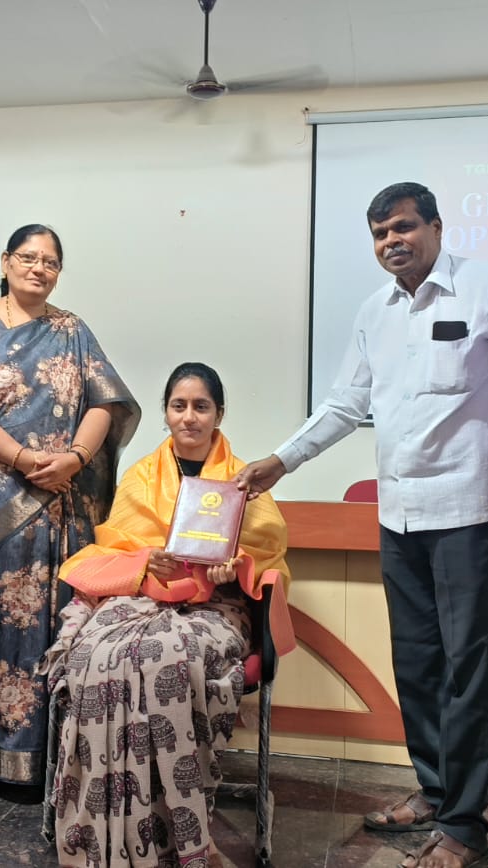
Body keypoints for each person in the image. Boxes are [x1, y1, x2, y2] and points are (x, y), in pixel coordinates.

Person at [236, 183, 488, 868]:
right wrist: (283, 460)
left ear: (436, 226)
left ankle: (465, 827)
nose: (392, 242)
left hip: (469, 513)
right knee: (418, 664)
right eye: (380, 233)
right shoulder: (376, 311)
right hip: (399, 517)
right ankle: (435, 790)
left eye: (403, 227)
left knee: (469, 671)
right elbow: (347, 402)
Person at [46, 362, 293, 868]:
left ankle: (177, 827)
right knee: (93, 654)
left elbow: (266, 553)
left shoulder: (245, 482)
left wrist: (235, 565)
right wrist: (146, 561)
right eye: (179, 406)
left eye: (201, 406)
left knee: (168, 657)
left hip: (217, 607)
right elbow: (116, 546)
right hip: (142, 596)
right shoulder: (141, 476)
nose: (189, 417)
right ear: (165, 412)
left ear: (219, 414)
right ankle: (103, 827)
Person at [0, 223, 140, 786]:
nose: (39, 268)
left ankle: (52, 755)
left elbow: (105, 402)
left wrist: (76, 457)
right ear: (6, 261)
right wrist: (24, 459)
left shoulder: (72, 330)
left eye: (50, 262)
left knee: (57, 612)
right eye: (28, 257)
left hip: (60, 497)